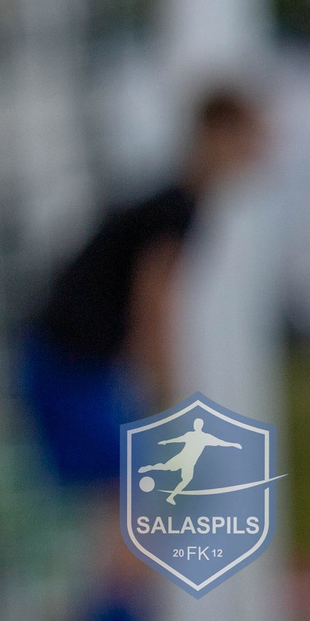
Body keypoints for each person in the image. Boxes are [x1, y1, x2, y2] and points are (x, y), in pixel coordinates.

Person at [18, 84, 270, 621]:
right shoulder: (175, 209)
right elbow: (153, 307)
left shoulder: (170, 204)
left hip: (64, 364)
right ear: (216, 134)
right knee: (137, 512)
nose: (261, 149)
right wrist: (167, 399)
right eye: (250, 134)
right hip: (67, 367)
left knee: (122, 515)